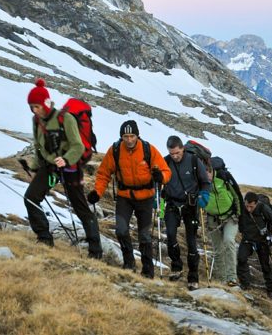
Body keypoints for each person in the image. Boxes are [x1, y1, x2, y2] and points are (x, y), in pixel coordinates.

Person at [22, 79, 102, 258]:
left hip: (70, 167)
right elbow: (38, 146)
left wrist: (65, 160)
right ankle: (44, 239)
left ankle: (95, 251)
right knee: (31, 198)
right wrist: (35, 169)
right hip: (49, 167)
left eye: (37, 106)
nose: (35, 111)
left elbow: (78, 146)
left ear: (45, 103)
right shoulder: (36, 121)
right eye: (31, 107)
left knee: (80, 207)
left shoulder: (65, 118)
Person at [87, 120, 171, 278]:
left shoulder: (148, 149)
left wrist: (161, 176)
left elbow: (166, 171)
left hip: (146, 197)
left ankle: (147, 272)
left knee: (145, 236)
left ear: (137, 136)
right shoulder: (116, 150)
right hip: (124, 197)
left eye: (132, 136)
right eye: (126, 136)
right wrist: (97, 193)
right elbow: (104, 173)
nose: (129, 140)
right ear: (121, 137)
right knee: (121, 230)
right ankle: (129, 264)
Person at [162, 136, 211, 290]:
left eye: (177, 153)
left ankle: (193, 276)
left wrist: (204, 195)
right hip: (171, 203)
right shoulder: (166, 162)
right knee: (170, 235)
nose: (175, 156)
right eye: (172, 153)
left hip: (190, 205)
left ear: (182, 148)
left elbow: (205, 182)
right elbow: (159, 181)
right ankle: (176, 267)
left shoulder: (194, 161)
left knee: (191, 242)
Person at [237, 191, 272, 297]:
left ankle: (271, 290)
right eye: (247, 206)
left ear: (256, 203)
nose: (249, 209)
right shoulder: (242, 208)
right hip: (247, 238)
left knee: (266, 265)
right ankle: (245, 284)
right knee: (241, 258)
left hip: (262, 240)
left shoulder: (263, 208)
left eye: (251, 207)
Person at [204, 164, 240, 287]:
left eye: (207, 175)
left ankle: (232, 277)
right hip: (212, 219)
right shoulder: (201, 182)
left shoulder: (223, 178)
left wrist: (239, 214)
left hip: (230, 216)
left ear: (211, 171)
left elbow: (237, 195)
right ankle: (222, 279)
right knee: (218, 249)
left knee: (229, 241)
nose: (206, 178)